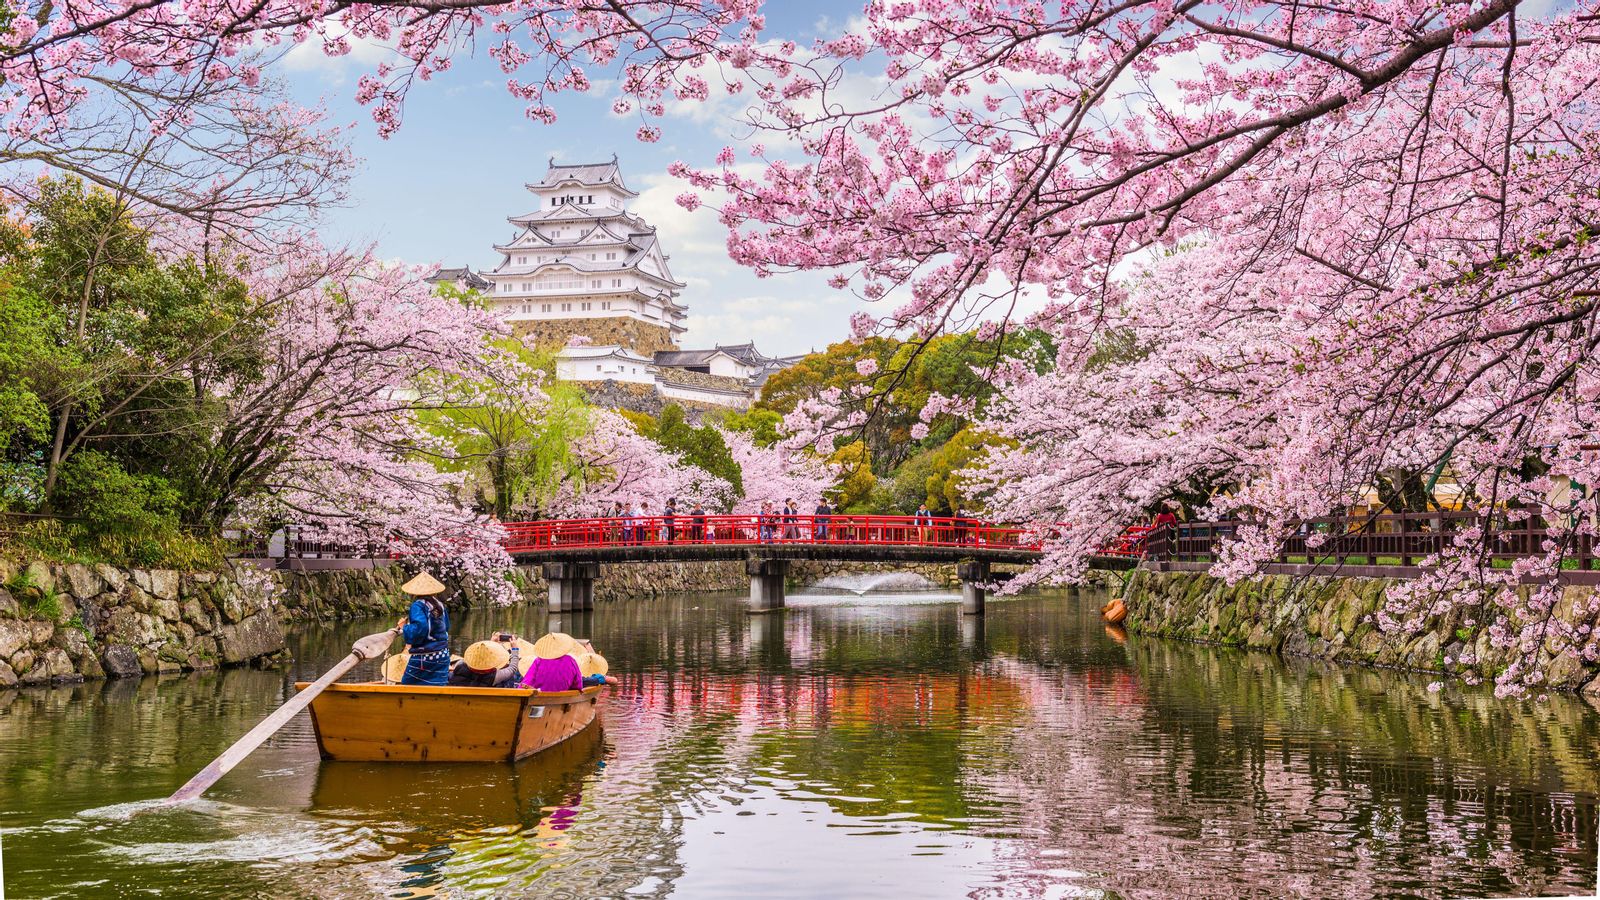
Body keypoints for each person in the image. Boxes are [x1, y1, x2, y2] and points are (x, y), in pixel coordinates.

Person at [397, 571, 451, 686]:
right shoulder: (439, 604)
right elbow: (446, 627)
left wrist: (404, 627)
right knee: (437, 686)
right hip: (443, 654)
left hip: (425, 656)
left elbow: (420, 628)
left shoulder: (418, 605)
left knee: (407, 685)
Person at [448, 636, 522, 688]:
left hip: (459, 703)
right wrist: (515, 649)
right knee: (510, 678)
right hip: (483, 704)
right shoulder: (494, 677)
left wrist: (491, 644)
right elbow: (512, 668)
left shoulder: (460, 665)